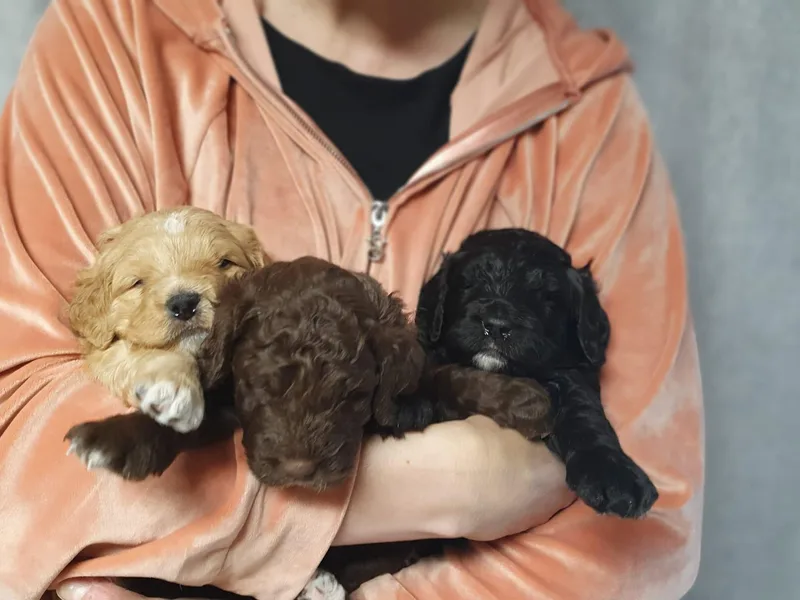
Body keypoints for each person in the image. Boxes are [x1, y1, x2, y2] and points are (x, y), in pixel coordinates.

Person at [0, 0, 704, 599]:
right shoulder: (113, 35)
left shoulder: (585, 111)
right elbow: (21, 462)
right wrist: (454, 485)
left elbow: (640, 538)